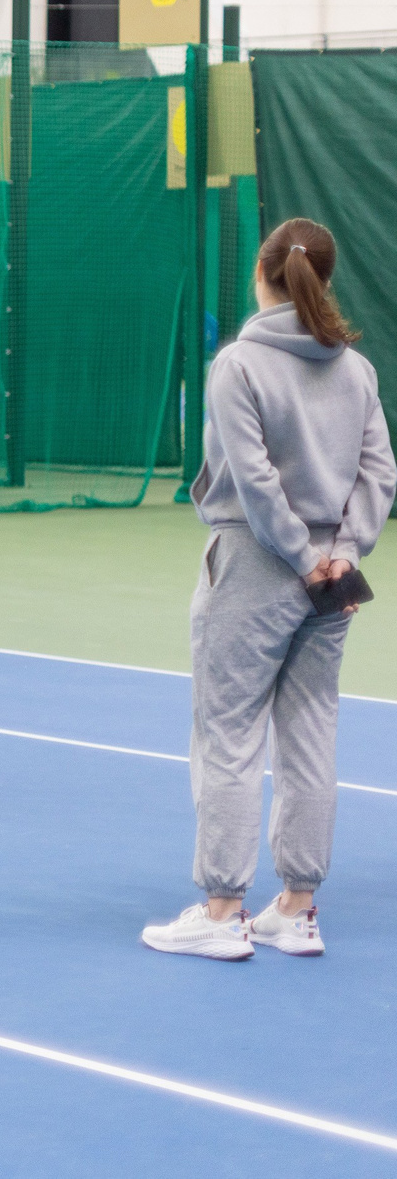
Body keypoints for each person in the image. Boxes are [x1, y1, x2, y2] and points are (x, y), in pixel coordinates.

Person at [142, 219, 395, 962]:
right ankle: (297, 908)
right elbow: (381, 474)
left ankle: (223, 910)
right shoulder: (356, 369)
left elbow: (252, 479)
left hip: (255, 565)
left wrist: (298, 554)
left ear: (262, 274)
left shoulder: (238, 365)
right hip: (332, 580)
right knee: (313, 737)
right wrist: (337, 557)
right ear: (326, 275)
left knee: (227, 734)